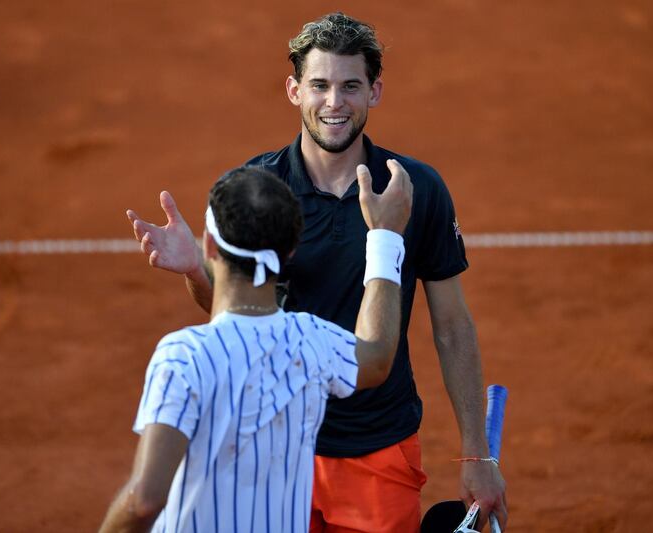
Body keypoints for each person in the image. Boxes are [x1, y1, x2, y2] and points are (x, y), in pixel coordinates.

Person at [127, 12, 507, 532]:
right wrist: (197, 271)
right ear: (294, 90)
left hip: (379, 446)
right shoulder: (258, 188)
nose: (334, 103)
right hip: (276, 445)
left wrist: (476, 455)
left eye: (350, 86)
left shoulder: (415, 189)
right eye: (320, 85)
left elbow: (452, 325)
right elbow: (233, 304)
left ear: (374, 91)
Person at [100, 164, 413, 533]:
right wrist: (385, 236)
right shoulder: (313, 342)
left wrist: (198, 269)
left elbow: (143, 502)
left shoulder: (183, 356)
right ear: (291, 250)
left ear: (210, 245)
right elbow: (376, 356)